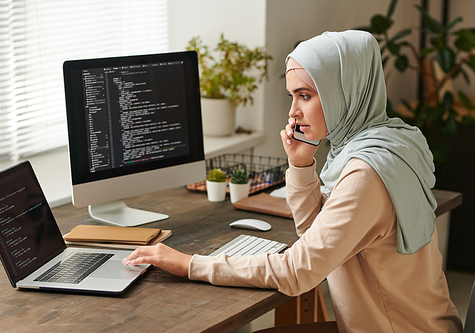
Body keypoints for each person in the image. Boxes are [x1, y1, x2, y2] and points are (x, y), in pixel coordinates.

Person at [123, 30, 463, 333]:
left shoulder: (366, 173)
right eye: (292, 96)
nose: (293, 113)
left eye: (305, 95)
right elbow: (315, 235)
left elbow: (296, 273)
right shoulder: (390, 141)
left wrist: (190, 264)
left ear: (343, 91)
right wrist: (301, 164)